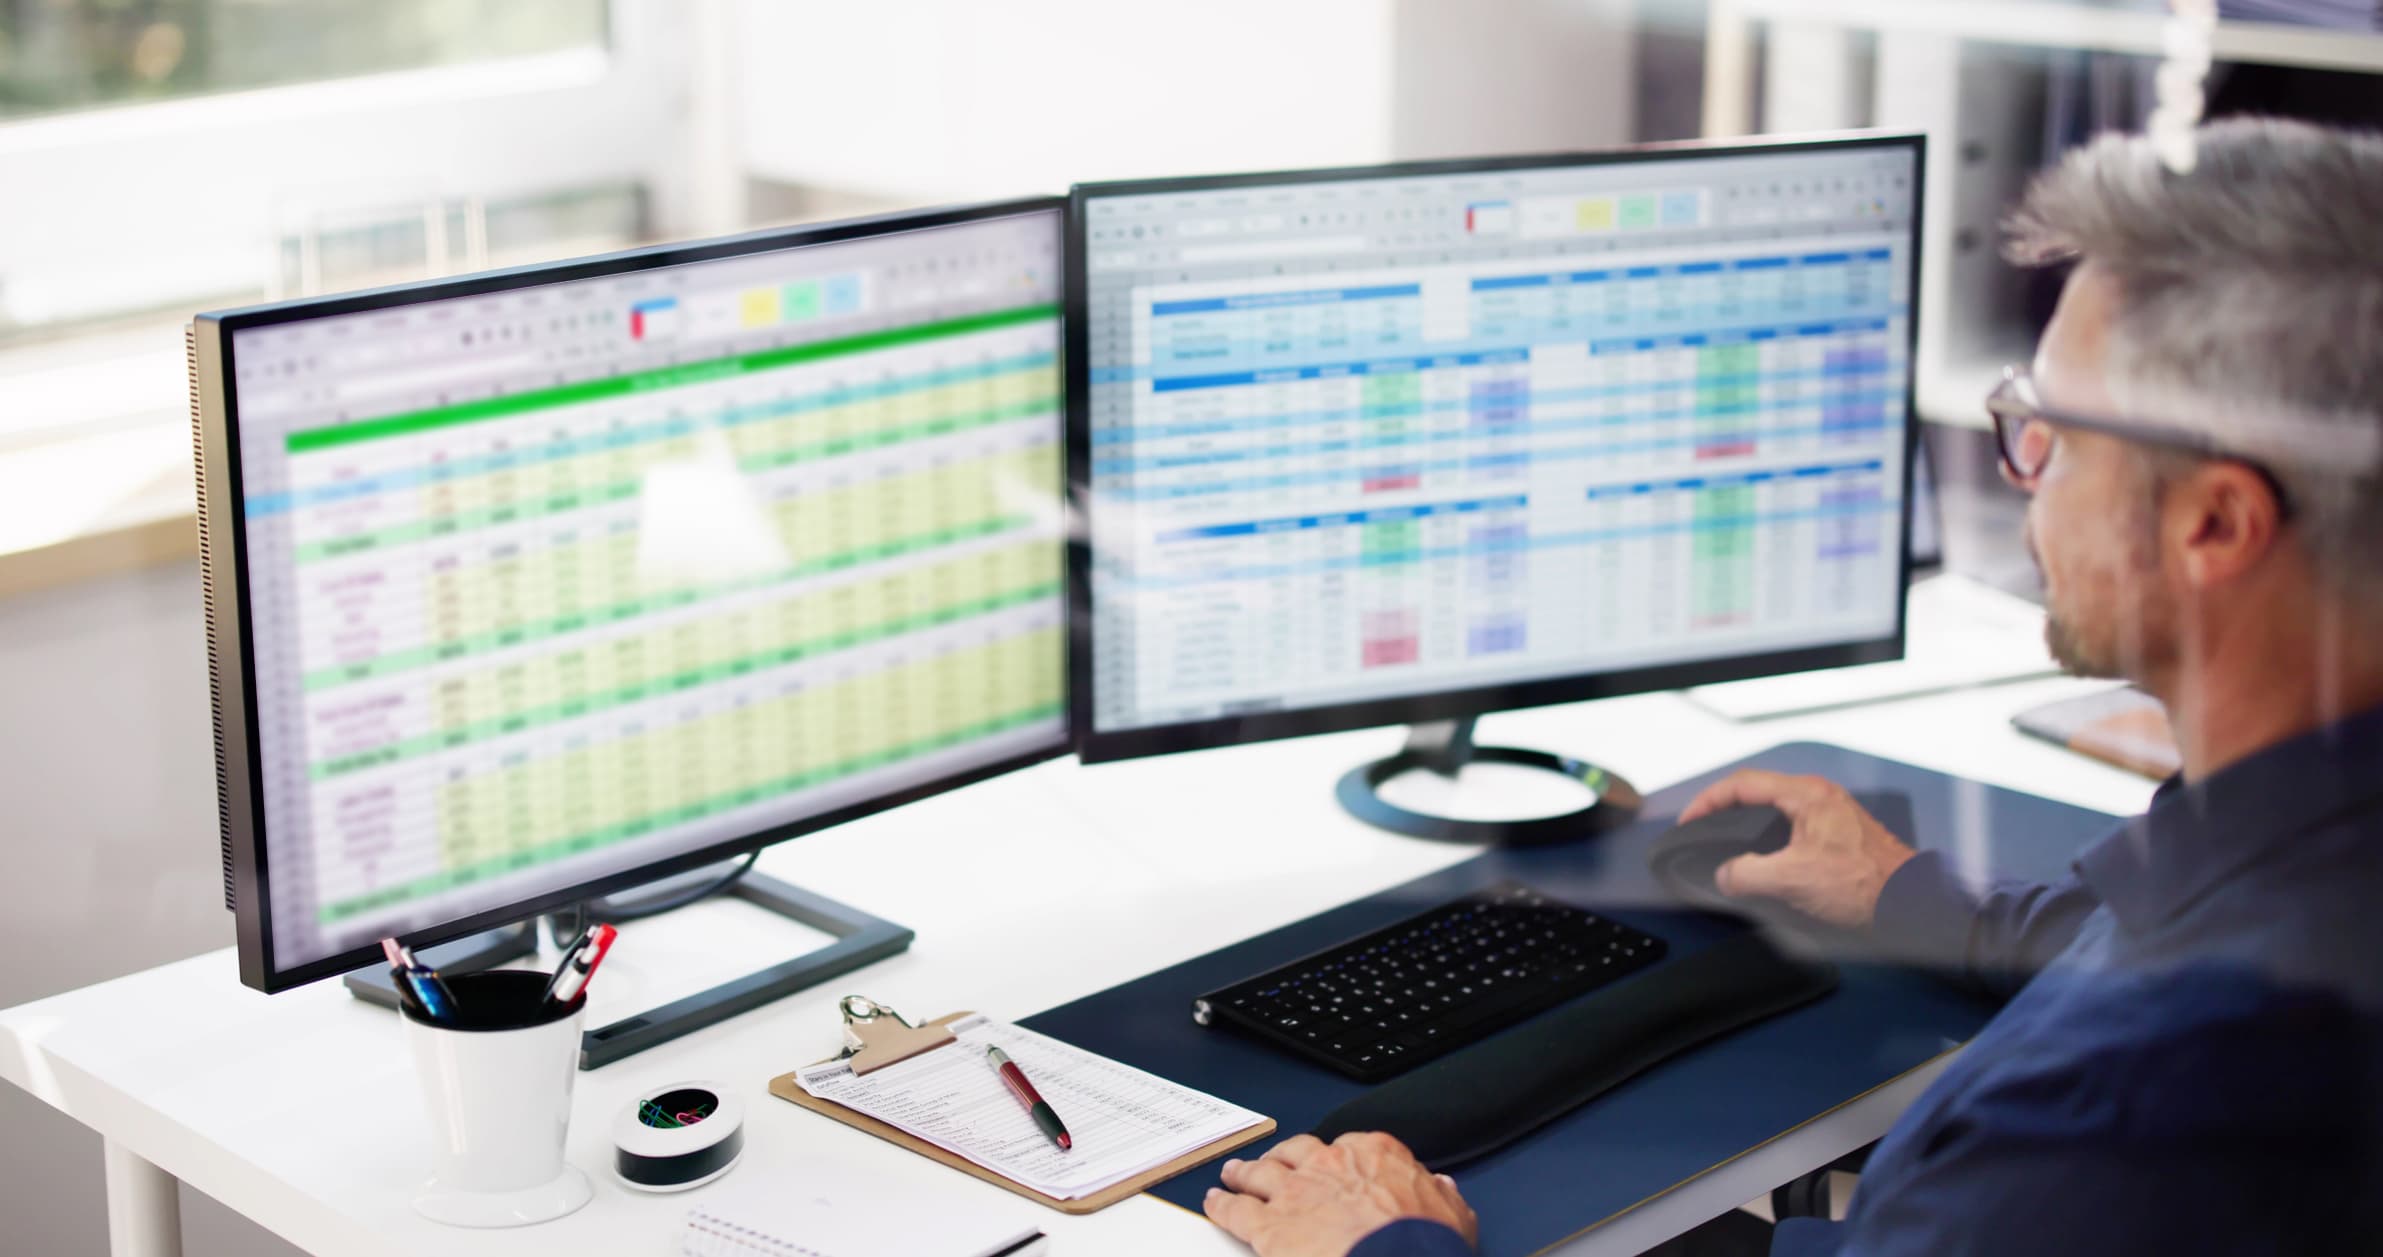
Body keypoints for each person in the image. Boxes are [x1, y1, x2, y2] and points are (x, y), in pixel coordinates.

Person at [1202, 116, 2383, 1257]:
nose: (2023, 474)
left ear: (2214, 523)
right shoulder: (2299, 834)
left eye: (2052, 435)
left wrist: (1387, 1247)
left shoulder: (2115, 1118)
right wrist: (1913, 899)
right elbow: (2139, 937)